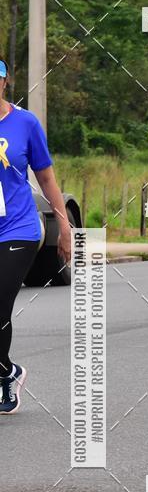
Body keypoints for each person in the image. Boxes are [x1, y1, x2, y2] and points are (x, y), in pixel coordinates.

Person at [0, 59, 71, 413]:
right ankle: (7, 372)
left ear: (5, 81)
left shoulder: (24, 123)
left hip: (19, 228)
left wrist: (65, 227)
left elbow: (46, 179)